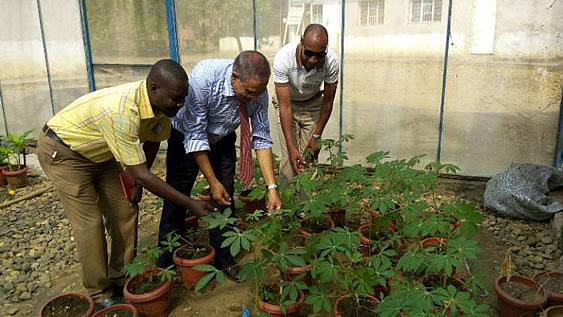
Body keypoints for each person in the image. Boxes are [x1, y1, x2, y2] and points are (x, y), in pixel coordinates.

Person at [36, 59, 214, 307]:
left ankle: (121, 274)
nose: (181, 104)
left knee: (125, 208)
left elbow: (152, 141)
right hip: (64, 152)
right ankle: (100, 293)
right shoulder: (121, 111)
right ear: (154, 88)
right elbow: (140, 173)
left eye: (184, 97)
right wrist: (188, 203)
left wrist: (137, 182)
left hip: (101, 153)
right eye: (176, 98)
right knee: (90, 222)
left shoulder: (162, 108)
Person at [156, 51, 282, 282]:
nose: (255, 98)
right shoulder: (204, 78)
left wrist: (271, 187)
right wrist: (211, 182)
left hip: (222, 137)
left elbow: (261, 137)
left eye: (259, 92)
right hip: (185, 136)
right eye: (250, 92)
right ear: (234, 77)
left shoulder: (258, 91)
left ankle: (224, 260)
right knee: (177, 195)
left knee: (225, 199)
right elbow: (195, 134)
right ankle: (164, 263)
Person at [273, 24, 339, 185]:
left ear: (326, 49)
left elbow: (328, 101)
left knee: (309, 157)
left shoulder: (331, 62)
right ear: (301, 42)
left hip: (313, 105)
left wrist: (317, 135)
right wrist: (292, 147)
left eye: (319, 55)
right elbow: (285, 106)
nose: (313, 60)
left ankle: (307, 207)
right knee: (289, 158)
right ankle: (286, 205)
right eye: (308, 53)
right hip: (288, 105)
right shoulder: (283, 58)